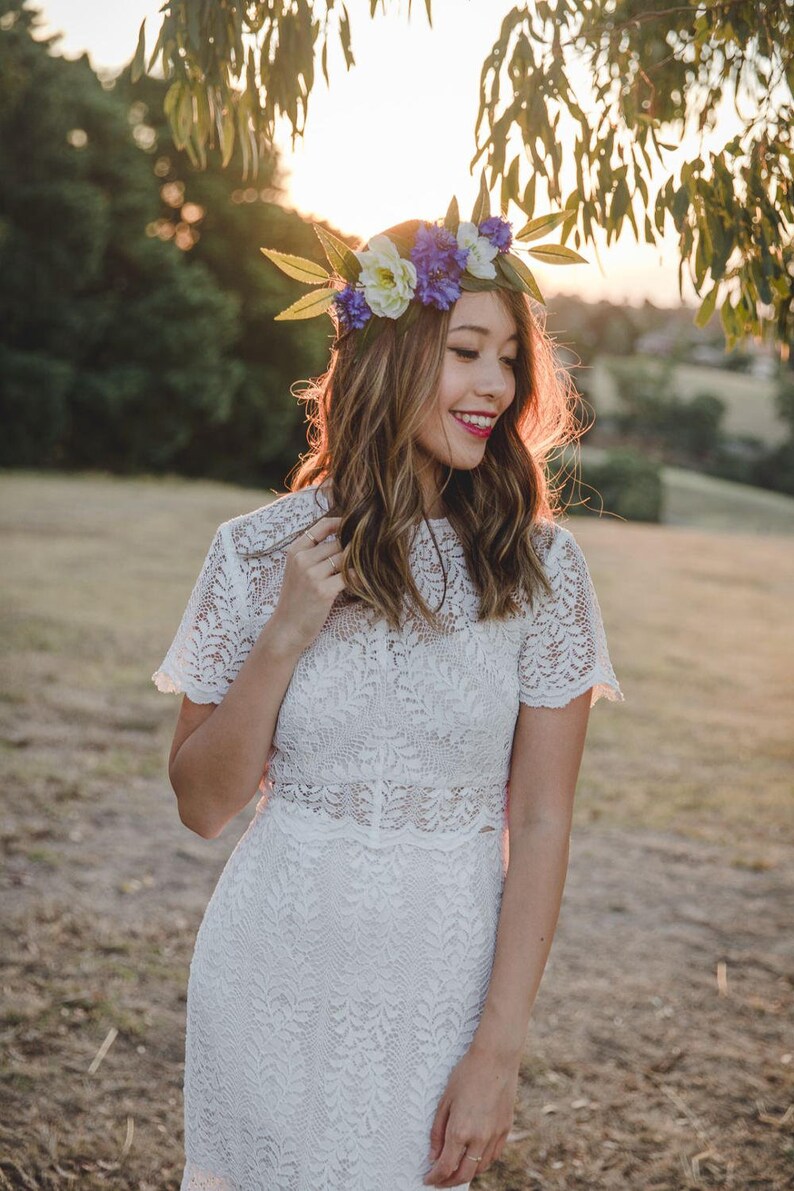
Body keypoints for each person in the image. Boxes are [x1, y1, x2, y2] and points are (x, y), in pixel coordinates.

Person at [152, 202, 624, 1191]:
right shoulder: (252, 553)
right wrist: (285, 633)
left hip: (434, 989)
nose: (494, 386)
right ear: (389, 356)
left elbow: (537, 822)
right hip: (267, 970)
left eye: (507, 360)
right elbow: (201, 806)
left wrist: (495, 1055)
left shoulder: (540, 570)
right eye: (465, 351)